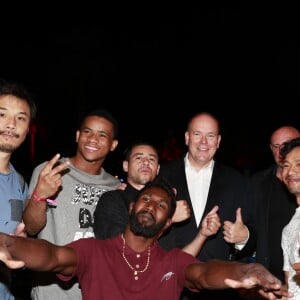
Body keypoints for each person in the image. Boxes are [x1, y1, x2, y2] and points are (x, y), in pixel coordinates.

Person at [0, 178, 293, 300]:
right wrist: (9, 244)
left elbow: (203, 273)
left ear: (167, 224)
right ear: (131, 207)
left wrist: (245, 270)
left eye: (162, 206)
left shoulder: (173, 261)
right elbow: (52, 256)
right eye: (146, 199)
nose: (152, 206)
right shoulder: (93, 251)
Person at [22, 108, 121, 299]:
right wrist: (40, 196)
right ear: (77, 135)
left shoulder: (116, 187)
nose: (93, 139)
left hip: (97, 292)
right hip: (51, 292)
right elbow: (31, 228)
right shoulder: (50, 171)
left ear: (113, 144)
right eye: (87, 131)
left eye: (102, 135)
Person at [158, 111, 256, 299]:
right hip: (169, 286)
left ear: (218, 141)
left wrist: (244, 237)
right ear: (187, 138)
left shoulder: (238, 181)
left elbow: (253, 231)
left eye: (210, 136)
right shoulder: (161, 176)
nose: (204, 142)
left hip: (218, 289)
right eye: (197, 134)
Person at [93, 140, 221, 256]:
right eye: (138, 158)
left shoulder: (169, 205)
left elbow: (178, 264)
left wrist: (202, 235)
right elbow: (122, 251)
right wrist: (167, 221)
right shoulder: (113, 199)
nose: (146, 162)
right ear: (126, 166)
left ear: (158, 169)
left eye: (152, 159)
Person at [0, 78, 37, 300]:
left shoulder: (20, 182)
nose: (11, 124)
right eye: (2, 114)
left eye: (20, 118)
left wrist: (20, 240)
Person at [250, 126, 299, 283]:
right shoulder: (255, 183)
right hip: (273, 280)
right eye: (276, 147)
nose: (281, 152)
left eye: (287, 145)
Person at [279, 137, 300, 299]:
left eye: (299, 164)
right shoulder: (288, 228)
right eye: (286, 165)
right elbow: (290, 288)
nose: (290, 171)